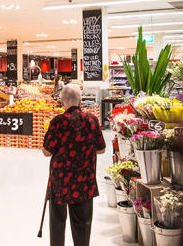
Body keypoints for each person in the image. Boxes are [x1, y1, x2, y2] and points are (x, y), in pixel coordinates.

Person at [42, 85, 106, 246]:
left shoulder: (57, 122)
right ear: (80, 100)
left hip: (60, 183)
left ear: (62, 101)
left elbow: (47, 152)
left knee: (57, 223)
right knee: (82, 224)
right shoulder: (92, 120)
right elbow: (102, 149)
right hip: (84, 182)